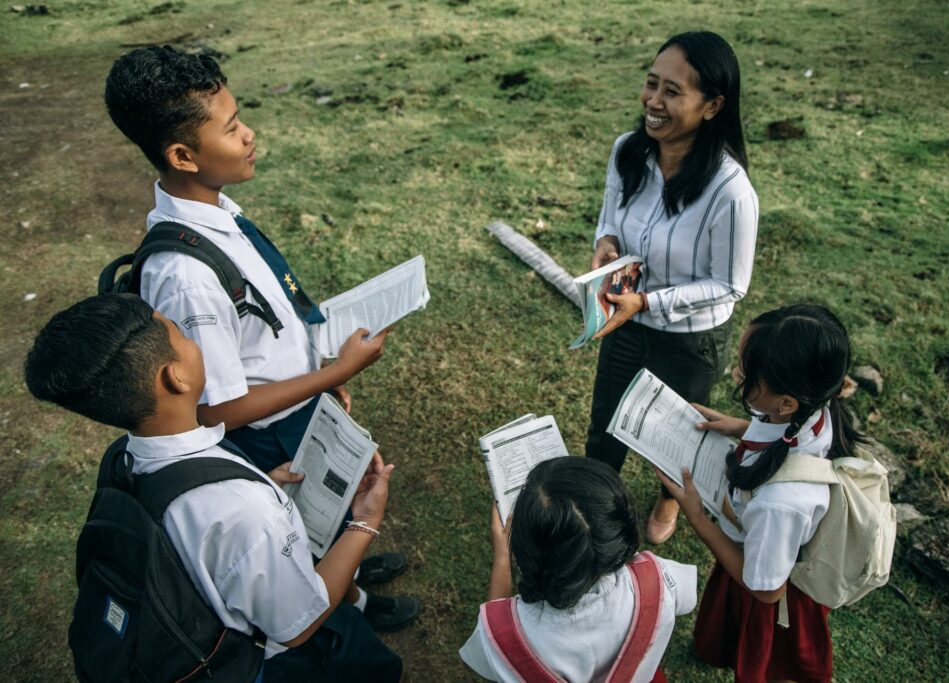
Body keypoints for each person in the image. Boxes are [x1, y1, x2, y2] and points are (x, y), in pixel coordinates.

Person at [103, 45, 419, 632]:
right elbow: (215, 406)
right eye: (231, 128)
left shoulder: (215, 212)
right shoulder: (187, 277)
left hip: (299, 405)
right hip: (266, 434)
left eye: (240, 116)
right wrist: (335, 373)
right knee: (297, 534)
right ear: (182, 155)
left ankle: (347, 574)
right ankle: (347, 613)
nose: (249, 134)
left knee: (326, 516)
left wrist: (318, 382)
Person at [24, 293, 404, 681]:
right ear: (176, 377)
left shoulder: (122, 456)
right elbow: (300, 624)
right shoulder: (241, 511)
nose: (194, 341)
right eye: (183, 335)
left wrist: (263, 484)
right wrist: (365, 522)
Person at [584, 31, 759, 545]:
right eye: (651, 84)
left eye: (672, 92)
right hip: (627, 320)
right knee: (607, 423)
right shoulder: (628, 153)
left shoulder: (729, 191)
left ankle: (668, 499)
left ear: (713, 106)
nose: (653, 103)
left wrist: (650, 301)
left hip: (689, 340)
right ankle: (599, 499)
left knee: (676, 435)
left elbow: (730, 284)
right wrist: (607, 242)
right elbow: (608, 216)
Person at [655, 304, 863, 683]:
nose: (735, 373)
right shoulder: (815, 405)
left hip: (769, 587)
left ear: (786, 403)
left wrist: (698, 518)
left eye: (745, 373)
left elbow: (765, 592)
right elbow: (783, 435)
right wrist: (737, 427)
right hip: (761, 550)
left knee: (767, 662)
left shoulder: (780, 504)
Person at [460, 457, 698, 682]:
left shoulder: (513, 636)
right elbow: (687, 599)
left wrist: (502, 559)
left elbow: (492, 651)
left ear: (528, 553)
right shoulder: (655, 579)